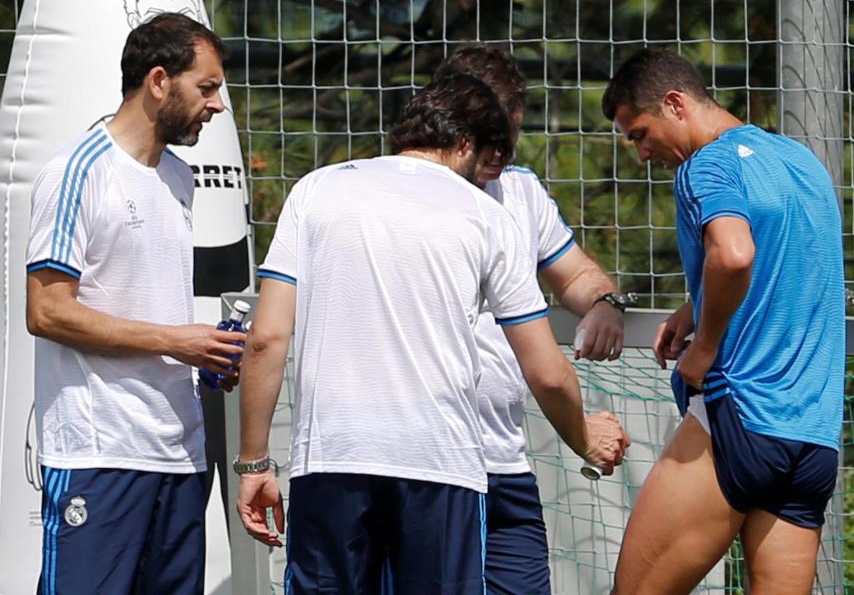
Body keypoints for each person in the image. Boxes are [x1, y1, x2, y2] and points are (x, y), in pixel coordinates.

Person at [235, 74, 629, 594]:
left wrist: (255, 461)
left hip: (331, 458)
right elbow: (546, 371)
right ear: (465, 142)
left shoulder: (317, 188)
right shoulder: (487, 217)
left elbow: (266, 338)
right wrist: (583, 439)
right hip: (441, 464)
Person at [602, 47, 844, 595]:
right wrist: (696, 304)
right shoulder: (800, 161)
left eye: (639, 133)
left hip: (739, 418)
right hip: (811, 440)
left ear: (674, 104)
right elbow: (793, 258)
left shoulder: (706, 165)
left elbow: (734, 253)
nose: (641, 153)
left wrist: (705, 344)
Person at [25, 12, 243, 594]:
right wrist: (180, 341)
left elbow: (147, 303)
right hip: (101, 454)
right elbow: (46, 312)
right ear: (158, 81)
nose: (218, 105)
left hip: (179, 456)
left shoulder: (178, 176)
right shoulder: (77, 171)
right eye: (208, 87)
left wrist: (206, 353)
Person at [434, 44, 632, 594]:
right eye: (490, 134)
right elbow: (547, 372)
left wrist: (606, 302)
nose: (503, 150)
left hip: (506, 459)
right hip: (430, 462)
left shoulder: (520, 191)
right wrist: (583, 433)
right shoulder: (408, 195)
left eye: (511, 133)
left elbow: (573, 274)